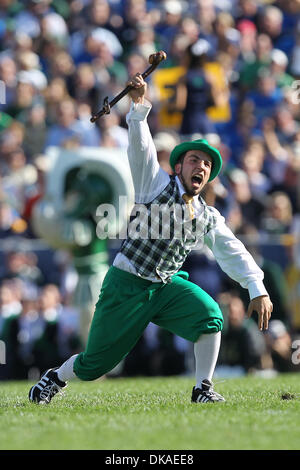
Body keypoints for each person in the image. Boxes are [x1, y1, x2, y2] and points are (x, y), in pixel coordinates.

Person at [28, 73, 273, 405]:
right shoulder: (154, 184)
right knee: (94, 365)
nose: (200, 166)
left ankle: (203, 388)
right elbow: (140, 148)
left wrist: (256, 288)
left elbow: (233, 251)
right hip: (126, 284)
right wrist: (138, 104)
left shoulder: (207, 215)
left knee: (211, 317)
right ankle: (54, 378)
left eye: (206, 163)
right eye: (193, 160)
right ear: (178, 166)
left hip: (164, 288)